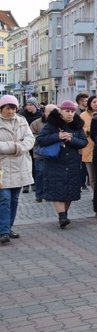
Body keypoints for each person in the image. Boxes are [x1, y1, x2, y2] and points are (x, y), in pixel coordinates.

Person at [36, 100, 88, 228]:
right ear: (61, 112)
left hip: (72, 163)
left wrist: (71, 139)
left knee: (70, 191)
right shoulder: (51, 124)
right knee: (57, 189)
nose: (70, 114)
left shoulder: (77, 125)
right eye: (67, 111)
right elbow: (40, 140)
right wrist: (57, 136)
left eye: (72, 111)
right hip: (55, 162)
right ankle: (62, 216)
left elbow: (83, 142)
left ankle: (64, 213)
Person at [0, 96, 35, 244]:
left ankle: (8, 227)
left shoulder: (22, 121)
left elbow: (30, 140)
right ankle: (3, 231)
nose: (10, 111)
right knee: (4, 199)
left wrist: (18, 146)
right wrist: (15, 146)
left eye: (13, 108)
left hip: (20, 166)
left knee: (14, 199)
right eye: (7, 108)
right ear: (1, 108)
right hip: (3, 168)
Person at [30, 104, 57, 203]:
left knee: (52, 174)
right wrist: (46, 138)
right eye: (49, 112)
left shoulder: (59, 123)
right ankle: (39, 194)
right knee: (40, 173)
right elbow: (30, 137)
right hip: (40, 153)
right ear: (44, 112)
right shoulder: (36, 123)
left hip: (55, 154)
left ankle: (50, 194)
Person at [18, 97, 43, 193]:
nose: (28, 107)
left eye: (31, 105)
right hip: (24, 142)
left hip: (35, 144)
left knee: (35, 165)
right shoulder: (21, 115)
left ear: (35, 105)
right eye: (27, 105)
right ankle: (25, 185)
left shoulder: (40, 115)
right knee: (24, 164)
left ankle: (34, 183)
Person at [80, 96, 97, 197]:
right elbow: (79, 130)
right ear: (90, 104)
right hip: (88, 147)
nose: (96, 104)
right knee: (91, 176)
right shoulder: (83, 115)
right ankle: (96, 194)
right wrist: (89, 129)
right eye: (94, 102)